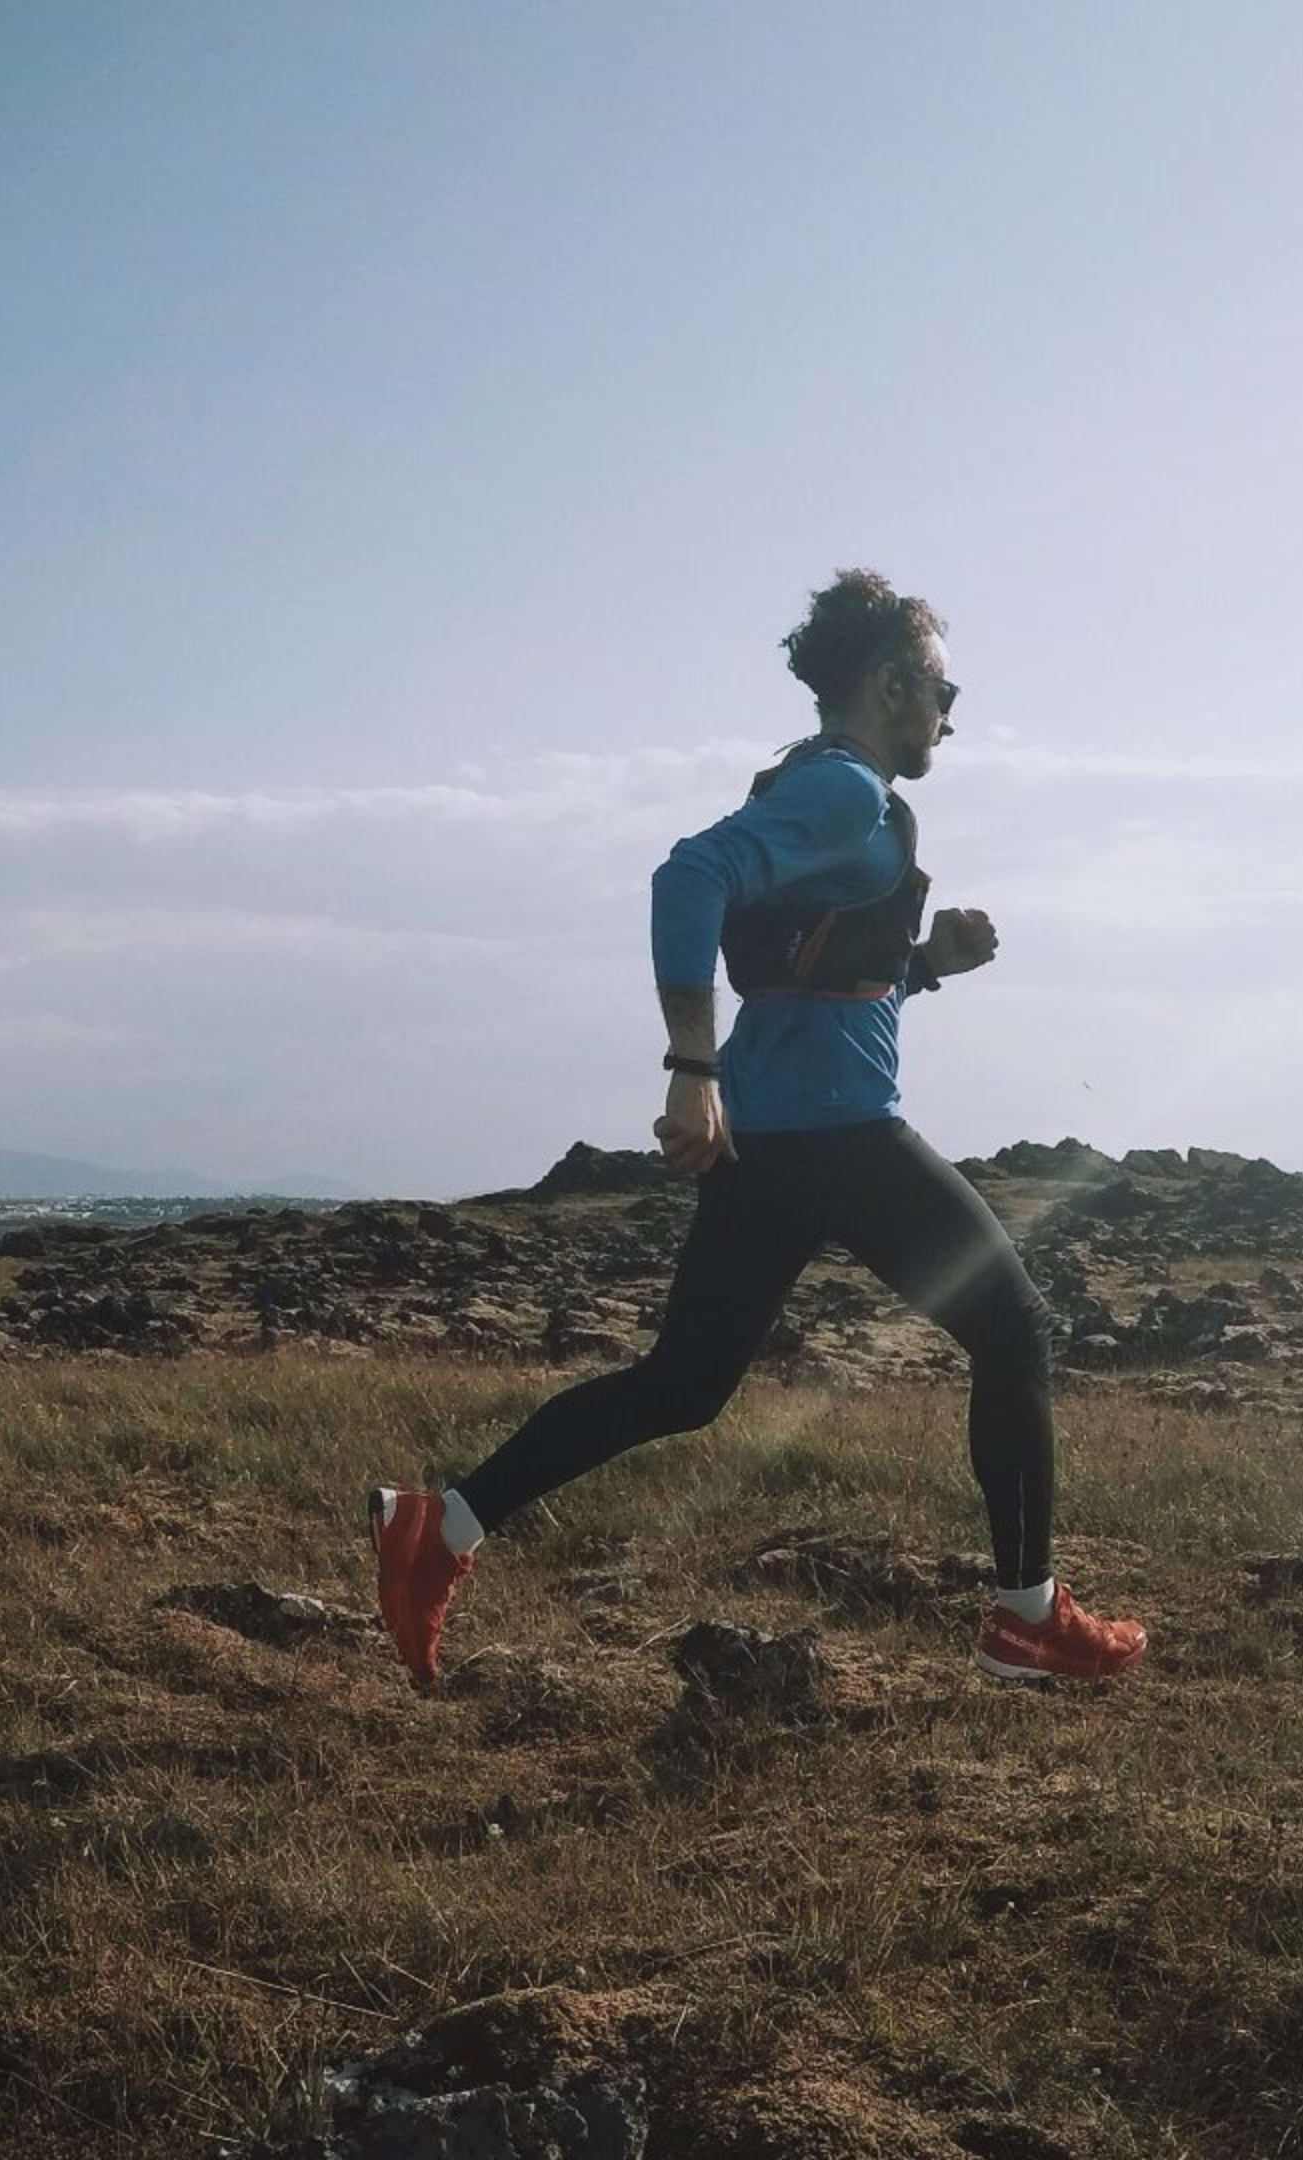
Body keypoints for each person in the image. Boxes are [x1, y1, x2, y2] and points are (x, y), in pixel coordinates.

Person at [370, 571, 1150, 1691]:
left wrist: (927, 966)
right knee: (1015, 1327)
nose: (953, 711)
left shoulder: (816, 789)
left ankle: (437, 1530)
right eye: (943, 685)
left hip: (773, 1137)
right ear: (889, 683)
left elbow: (805, 984)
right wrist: (688, 1064)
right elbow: (687, 876)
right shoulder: (845, 794)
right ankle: (1027, 1621)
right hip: (833, 1135)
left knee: (683, 1385)